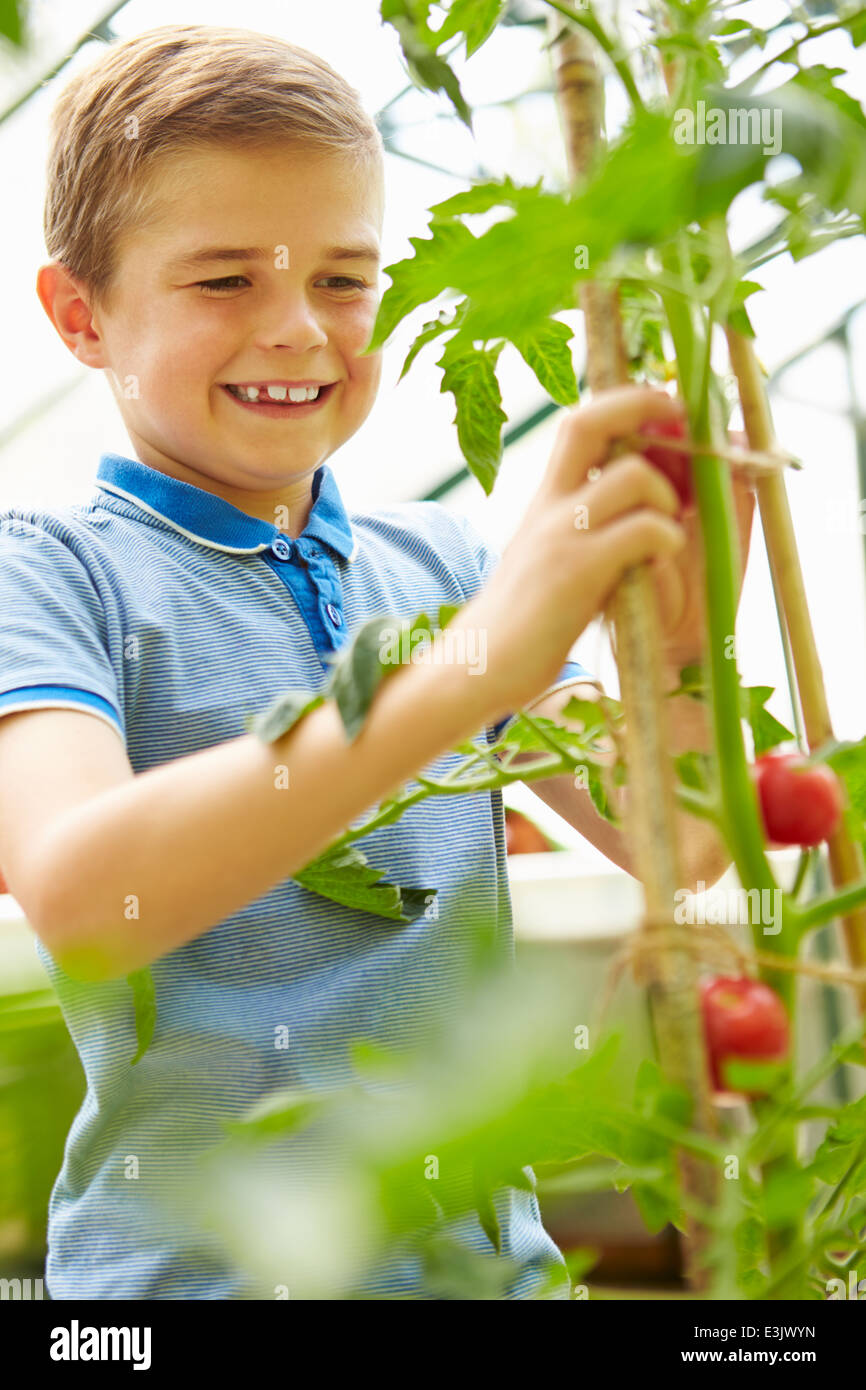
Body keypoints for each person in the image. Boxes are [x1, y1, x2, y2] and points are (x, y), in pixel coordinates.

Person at [0, 24, 753, 1299]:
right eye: (224, 281)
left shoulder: (441, 565)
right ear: (83, 315)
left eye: (345, 280)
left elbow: (672, 841)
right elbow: (82, 898)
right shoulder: (50, 570)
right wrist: (473, 662)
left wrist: (679, 651)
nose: (298, 330)